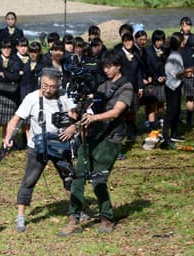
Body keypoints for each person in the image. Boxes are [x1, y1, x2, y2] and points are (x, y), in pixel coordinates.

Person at [57, 50, 133, 236]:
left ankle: (107, 218)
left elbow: (116, 112)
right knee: (78, 176)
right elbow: (89, 104)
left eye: (110, 66)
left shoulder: (126, 86)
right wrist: (77, 110)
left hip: (111, 138)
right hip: (92, 135)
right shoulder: (101, 85)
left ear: (118, 66)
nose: (106, 70)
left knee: (99, 179)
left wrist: (94, 118)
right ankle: (73, 219)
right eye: (104, 66)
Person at [3, 67, 77, 232]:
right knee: (29, 181)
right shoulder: (31, 98)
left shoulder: (65, 96)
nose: (48, 90)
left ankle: (76, 211)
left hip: (60, 145)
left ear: (58, 85)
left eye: (52, 86)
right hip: (37, 147)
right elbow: (15, 119)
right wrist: (8, 138)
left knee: (69, 179)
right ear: (40, 82)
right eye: (45, 85)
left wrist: (73, 127)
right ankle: (20, 216)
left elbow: (75, 115)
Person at [0, 40, 21, 159]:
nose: (6, 50)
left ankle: (4, 146)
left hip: (10, 95)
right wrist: (9, 77)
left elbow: (16, 77)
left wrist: (3, 74)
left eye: (9, 48)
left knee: (7, 123)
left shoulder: (15, 61)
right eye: (4, 48)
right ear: (0, 49)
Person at [161, 32, 190, 149]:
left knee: (177, 110)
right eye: (183, 41)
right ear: (179, 43)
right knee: (171, 112)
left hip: (176, 86)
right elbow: (173, 73)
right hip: (171, 87)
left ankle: (174, 133)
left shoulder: (177, 54)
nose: (184, 42)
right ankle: (165, 137)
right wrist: (186, 71)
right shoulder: (174, 56)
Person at [179, 16, 194, 126]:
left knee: (190, 96)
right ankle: (176, 117)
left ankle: (188, 118)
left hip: (190, 71)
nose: (187, 27)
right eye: (185, 25)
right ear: (181, 26)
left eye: (189, 25)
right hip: (177, 71)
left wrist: (192, 69)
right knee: (175, 96)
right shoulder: (176, 37)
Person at [146, 30, 168, 132]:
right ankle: (151, 124)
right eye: (158, 40)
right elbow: (148, 66)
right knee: (152, 103)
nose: (160, 42)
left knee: (161, 101)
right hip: (153, 81)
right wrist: (155, 77)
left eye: (161, 40)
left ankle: (161, 119)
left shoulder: (164, 50)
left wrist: (164, 76)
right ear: (154, 40)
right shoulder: (148, 51)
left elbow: (166, 65)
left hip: (163, 80)